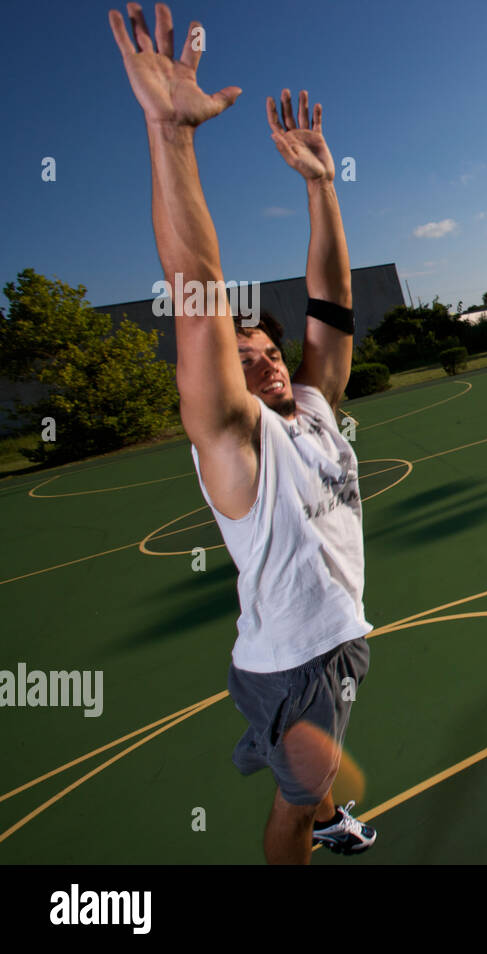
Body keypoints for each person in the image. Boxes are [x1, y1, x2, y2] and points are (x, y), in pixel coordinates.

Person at [109, 2, 375, 863]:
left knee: (312, 771)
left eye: (268, 351)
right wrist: (172, 135)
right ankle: (311, 821)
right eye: (241, 357)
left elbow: (333, 305)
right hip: (298, 662)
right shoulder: (235, 440)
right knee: (290, 812)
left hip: (311, 649)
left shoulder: (314, 408)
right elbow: (196, 287)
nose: (263, 364)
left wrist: (322, 186)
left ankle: (316, 799)